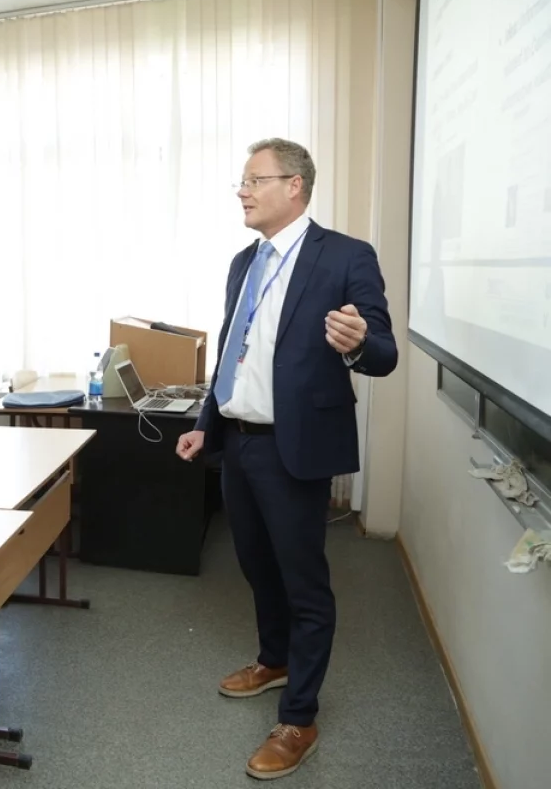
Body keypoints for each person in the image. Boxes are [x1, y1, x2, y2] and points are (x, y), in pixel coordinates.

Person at [176, 138, 397, 780]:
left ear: (294, 186)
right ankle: (274, 660)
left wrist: (359, 344)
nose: (242, 191)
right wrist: (203, 424)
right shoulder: (243, 262)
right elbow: (231, 354)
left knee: (304, 582)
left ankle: (300, 715)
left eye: (253, 179)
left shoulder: (347, 256)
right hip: (239, 444)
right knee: (254, 564)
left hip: (294, 448)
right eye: (242, 182)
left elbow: (383, 352)